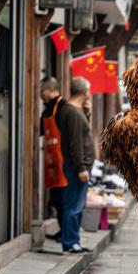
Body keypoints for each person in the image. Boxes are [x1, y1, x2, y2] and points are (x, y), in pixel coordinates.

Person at [59, 77, 95, 254]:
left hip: (80, 165)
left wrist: (87, 113)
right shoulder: (71, 112)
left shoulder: (77, 110)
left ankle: (74, 241)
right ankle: (71, 242)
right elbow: (75, 143)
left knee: (77, 204)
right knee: (74, 205)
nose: (90, 92)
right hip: (77, 166)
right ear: (83, 91)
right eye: (89, 89)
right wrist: (81, 167)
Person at [40, 76, 67, 242]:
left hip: (62, 162)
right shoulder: (47, 109)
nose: (40, 94)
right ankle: (62, 231)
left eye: (42, 90)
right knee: (56, 199)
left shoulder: (63, 107)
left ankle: (66, 233)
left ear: (50, 90)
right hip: (52, 162)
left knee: (63, 201)